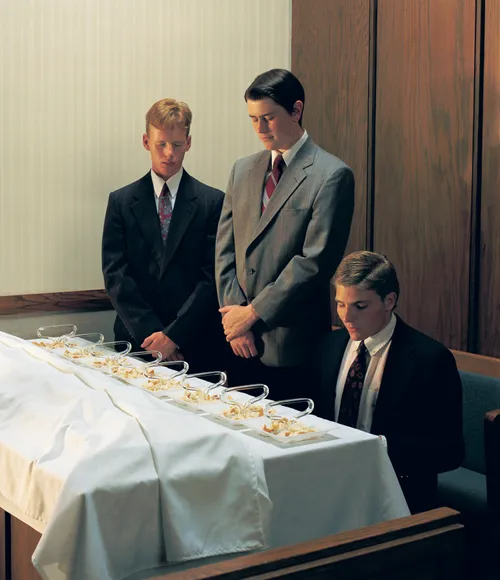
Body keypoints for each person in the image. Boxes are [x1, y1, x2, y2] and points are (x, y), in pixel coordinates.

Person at [215, 68, 355, 400]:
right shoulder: (242, 168)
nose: (259, 129)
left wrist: (252, 314)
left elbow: (315, 262)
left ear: (296, 110)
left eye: (268, 118)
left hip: (291, 344)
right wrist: (235, 320)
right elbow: (224, 248)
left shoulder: (332, 174)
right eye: (253, 119)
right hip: (238, 340)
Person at [315, 251, 465, 513]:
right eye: (340, 304)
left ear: (389, 301)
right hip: (328, 485)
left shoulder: (430, 359)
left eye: (359, 306)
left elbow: (450, 451)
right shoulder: (329, 347)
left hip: (397, 495)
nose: (346, 317)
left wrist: (376, 448)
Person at [102, 98, 225, 372]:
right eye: (161, 144)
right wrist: (153, 335)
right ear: (146, 141)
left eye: (177, 145)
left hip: (194, 342)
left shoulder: (213, 202)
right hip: (136, 341)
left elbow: (212, 277)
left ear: (189, 143)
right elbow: (116, 276)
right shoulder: (121, 202)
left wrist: (174, 336)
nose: (169, 153)